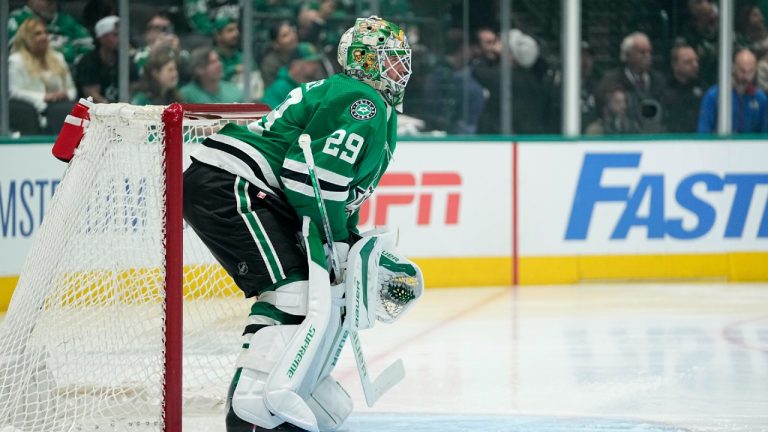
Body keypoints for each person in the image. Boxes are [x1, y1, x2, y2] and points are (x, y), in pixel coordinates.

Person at [183, 16, 418, 432]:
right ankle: (253, 410)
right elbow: (308, 176)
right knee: (293, 292)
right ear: (365, 62)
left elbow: (338, 196)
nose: (402, 68)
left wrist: (348, 245)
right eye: (390, 59)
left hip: (243, 187)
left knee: (305, 289)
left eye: (401, 60)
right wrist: (336, 246)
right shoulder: (361, 100)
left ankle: (291, 390)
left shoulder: (371, 105)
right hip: (233, 185)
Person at [9, 17, 76, 135]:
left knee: (68, 109)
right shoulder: (16, 60)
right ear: (26, 38)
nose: (44, 37)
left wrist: (65, 94)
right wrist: (44, 97)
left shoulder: (58, 57)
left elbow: (71, 89)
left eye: (45, 33)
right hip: (31, 106)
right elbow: (13, 91)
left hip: (58, 105)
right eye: (37, 34)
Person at [597, 32, 667, 133]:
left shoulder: (659, 80)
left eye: (649, 52)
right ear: (627, 55)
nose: (647, 56)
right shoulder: (611, 81)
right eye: (642, 52)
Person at [698, 49, 768, 133]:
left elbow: (765, 134)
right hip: (720, 145)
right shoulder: (714, 95)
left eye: (750, 71)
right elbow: (704, 130)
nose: (746, 76)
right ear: (733, 67)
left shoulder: (760, 99)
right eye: (742, 71)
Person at [74, 15, 139, 103]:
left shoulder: (127, 61)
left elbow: (134, 89)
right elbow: (91, 95)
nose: (121, 39)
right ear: (102, 38)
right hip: (94, 111)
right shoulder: (88, 62)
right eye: (116, 35)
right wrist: (112, 110)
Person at [8, 0, 93, 65]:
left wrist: (74, 62)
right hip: (33, 71)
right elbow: (17, 49)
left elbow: (88, 47)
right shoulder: (17, 19)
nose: (51, 5)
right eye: (46, 2)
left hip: (69, 72)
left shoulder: (66, 20)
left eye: (52, 2)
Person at [261, 42, 322, 108]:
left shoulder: (311, 87)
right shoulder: (277, 90)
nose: (316, 66)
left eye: (316, 62)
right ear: (296, 65)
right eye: (311, 62)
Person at [661, 44, 704, 133]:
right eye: (688, 62)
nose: (695, 65)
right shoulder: (663, 89)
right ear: (675, 65)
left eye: (696, 61)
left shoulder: (703, 88)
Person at [260, 20, 299, 88]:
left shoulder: (304, 50)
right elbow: (272, 91)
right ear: (275, 44)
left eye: (292, 32)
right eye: (285, 35)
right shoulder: (269, 64)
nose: (292, 37)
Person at [213, 16, 244, 83]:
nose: (236, 34)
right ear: (218, 36)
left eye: (237, 29)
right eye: (230, 30)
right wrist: (234, 70)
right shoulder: (210, 59)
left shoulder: (243, 57)